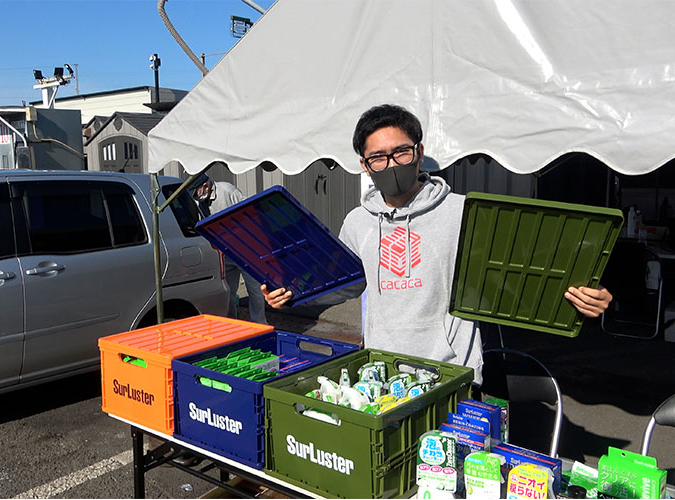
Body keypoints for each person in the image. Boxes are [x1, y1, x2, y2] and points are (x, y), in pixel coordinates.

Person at [262, 104, 612, 383]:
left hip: (452, 371)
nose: (391, 164)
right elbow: (343, 285)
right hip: (382, 371)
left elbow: (518, 273)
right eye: (378, 157)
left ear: (419, 152)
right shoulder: (357, 222)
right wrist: (291, 294)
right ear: (365, 166)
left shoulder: (464, 212)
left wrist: (583, 296)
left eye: (401, 152)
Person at [188, 173, 268, 325]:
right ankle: (232, 323)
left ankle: (260, 324)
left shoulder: (227, 190)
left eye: (196, 192)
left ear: (205, 186)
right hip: (227, 252)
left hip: (247, 251)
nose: (196, 197)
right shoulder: (202, 203)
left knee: (255, 291)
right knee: (228, 292)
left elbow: (250, 212)